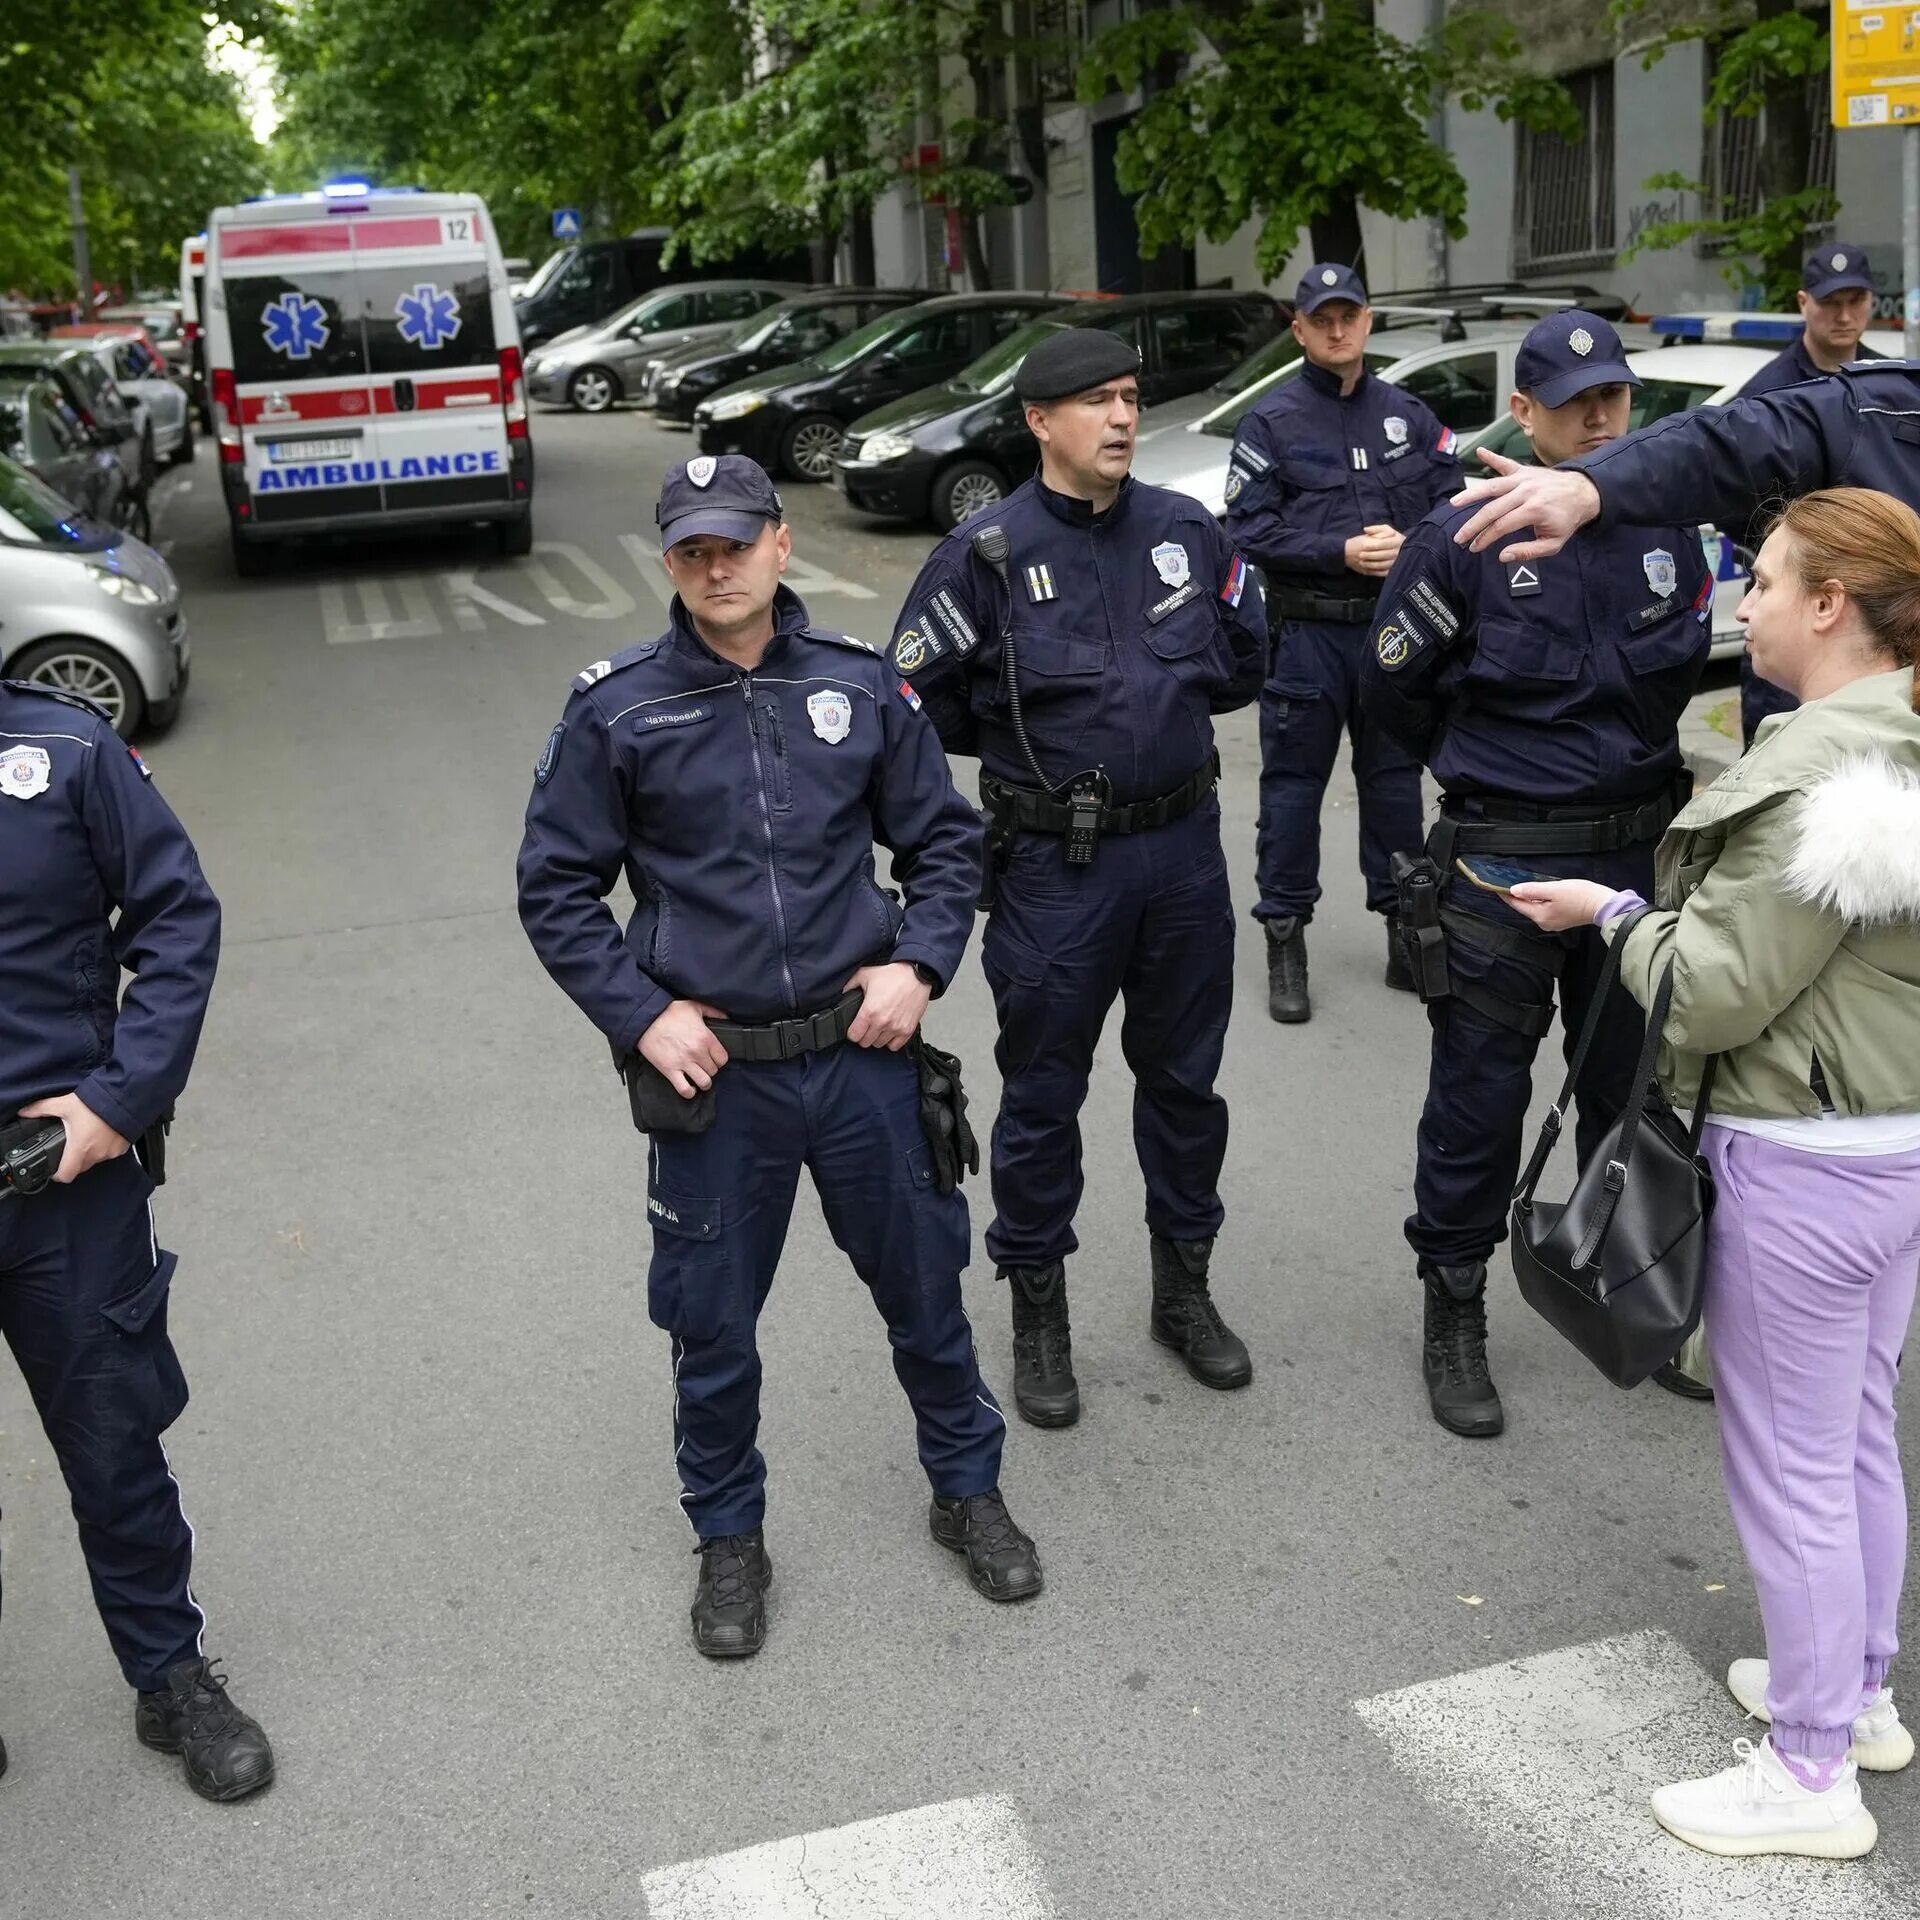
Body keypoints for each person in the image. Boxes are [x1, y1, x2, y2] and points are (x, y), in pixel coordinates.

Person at [517, 454, 1040, 1659]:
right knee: (711, 1328)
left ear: (778, 544)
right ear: (670, 562)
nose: (719, 565)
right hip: (718, 1083)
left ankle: (968, 1492)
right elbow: (554, 889)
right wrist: (642, 1016)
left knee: (925, 1294)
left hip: (860, 1062)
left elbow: (946, 847)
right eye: (694, 548)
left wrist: (918, 967)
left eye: (737, 542)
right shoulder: (621, 708)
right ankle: (730, 1538)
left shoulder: (861, 689)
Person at [1506, 487, 1920, 1860]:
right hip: (1887, 1137)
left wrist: (1618, 911)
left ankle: (1808, 1777)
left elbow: (1719, 991)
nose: (1740, 604)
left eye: (1763, 581)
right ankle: (1854, 1697)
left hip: (1804, 1153)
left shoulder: (1827, 775)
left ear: (1826, 607)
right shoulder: (1900, 739)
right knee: (1854, 1433)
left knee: (1793, 1468)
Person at [889, 328, 1265, 1430]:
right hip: (1058, 867)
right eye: (1096, 400)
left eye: (1131, 397)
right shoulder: (986, 552)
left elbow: (1247, 655)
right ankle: (1039, 1311)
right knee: (1045, 1096)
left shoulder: (1188, 533)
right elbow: (919, 701)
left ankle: (1183, 1293)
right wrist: (1031, 766)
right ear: (1039, 422)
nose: (1121, 417)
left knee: (1186, 1084)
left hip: (1183, 854)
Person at [1358, 312, 1713, 1438]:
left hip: (1632, 858)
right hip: (1505, 866)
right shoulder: (1458, 537)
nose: (1602, 417)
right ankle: (1454, 1304)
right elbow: (1392, 696)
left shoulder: (1664, 523)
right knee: (1480, 1096)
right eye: (1575, 402)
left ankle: (1633, 1283)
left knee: (1631, 1090)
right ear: (1523, 411)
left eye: (1613, 395)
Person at [0, 680, 273, 1801]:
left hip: (61, 1180)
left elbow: (177, 917)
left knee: (114, 1445)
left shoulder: (66, 750)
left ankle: (170, 1680)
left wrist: (116, 1103)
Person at [1224, 262, 1459, 1021]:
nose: (1336, 329)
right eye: (1321, 318)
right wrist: (1338, 553)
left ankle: (1403, 930)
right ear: (1298, 329)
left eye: (1348, 315)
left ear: (1368, 320)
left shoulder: (1410, 416)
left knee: (1394, 783)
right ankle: (1285, 938)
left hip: (1392, 636)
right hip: (1308, 634)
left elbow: (1451, 506)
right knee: (1292, 791)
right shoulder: (1272, 422)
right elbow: (1246, 528)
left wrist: (1415, 537)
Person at [1733, 246, 1884, 742]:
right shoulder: (1765, 398)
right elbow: (1738, 508)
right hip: (1796, 616)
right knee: (1788, 764)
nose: (1844, 315)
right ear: (1803, 303)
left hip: (1881, 617)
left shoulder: (1892, 385)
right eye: (1829, 302)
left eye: (1855, 300)